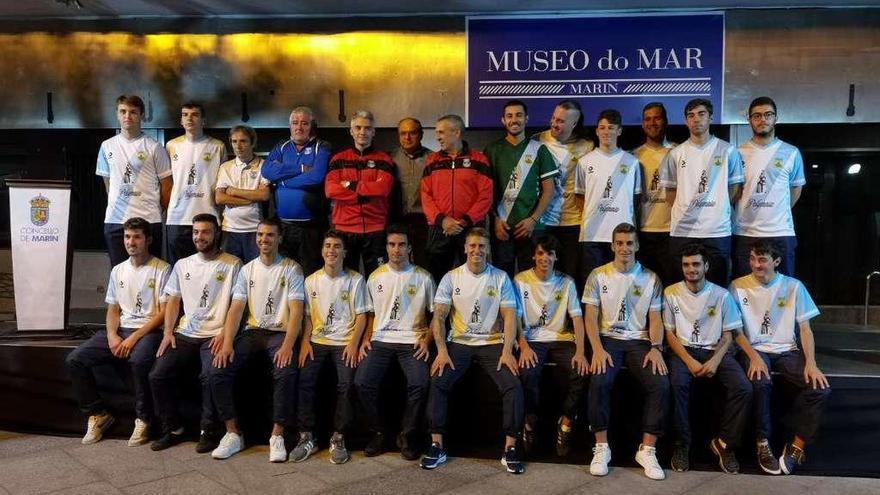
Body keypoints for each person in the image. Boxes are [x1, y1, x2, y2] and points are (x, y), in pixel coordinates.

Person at [420, 227, 525, 474]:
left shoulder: (500, 277)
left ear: (488, 249)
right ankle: (437, 445)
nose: (477, 250)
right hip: (459, 343)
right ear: (465, 248)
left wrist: (507, 350)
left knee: (513, 384)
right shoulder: (451, 277)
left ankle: (510, 447)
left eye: (482, 246)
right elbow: (439, 317)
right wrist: (442, 351)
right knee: (438, 380)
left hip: (491, 343)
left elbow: (509, 316)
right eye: (473, 246)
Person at [66, 217, 170, 446]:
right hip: (120, 329)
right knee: (75, 359)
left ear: (148, 239)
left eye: (136, 237)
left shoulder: (162, 269)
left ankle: (143, 418)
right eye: (127, 237)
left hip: (147, 331)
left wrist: (133, 337)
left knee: (139, 360)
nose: (131, 242)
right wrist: (112, 335)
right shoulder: (118, 270)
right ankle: (98, 414)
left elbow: (163, 313)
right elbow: (113, 310)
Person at [730, 240, 831, 475]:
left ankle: (796, 447)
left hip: (787, 350)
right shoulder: (737, 286)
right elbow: (736, 331)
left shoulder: (794, 286)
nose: (756, 264)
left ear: (776, 261)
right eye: (753, 259)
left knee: (820, 389)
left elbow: (805, 329)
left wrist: (811, 363)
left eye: (762, 259)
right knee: (761, 383)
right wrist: (753, 356)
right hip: (756, 350)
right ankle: (762, 443)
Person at [209, 217, 305, 461]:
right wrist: (228, 341)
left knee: (285, 371)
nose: (264, 240)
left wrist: (287, 346)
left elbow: (296, 312)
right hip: (253, 332)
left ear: (279, 238)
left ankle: (278, 435)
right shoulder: (247, 269)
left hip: (280, 333)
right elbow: (236, 309)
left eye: (270, 235)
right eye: (260, 235)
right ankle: (233, 434)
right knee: (218, 368)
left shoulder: (292, 269)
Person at [148, 213, 242, 453]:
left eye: (205, 232)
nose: (200, 237)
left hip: (216, 334)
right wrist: (168, 332)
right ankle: (174, 429)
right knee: (157, 375)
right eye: (196, 232)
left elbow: (237, 304)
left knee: (210, 375)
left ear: (216, 234)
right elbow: (172, 301)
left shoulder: (232, 263)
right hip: (185, 333)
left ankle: (209, 431)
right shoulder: (182, 264)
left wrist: (226, 334)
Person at [582, 222, 668, 481]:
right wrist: (596, 349)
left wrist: (656, 348)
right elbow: (589, 317)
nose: (624, 248)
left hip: (639, 341)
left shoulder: (651, 278)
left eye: (629, 243)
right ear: (612, 246)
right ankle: (601, 447)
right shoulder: (598, 275)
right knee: (599, 380)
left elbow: (655, 319)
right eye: (619, 243)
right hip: (608, 339)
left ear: (637, 246)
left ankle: (648, 450)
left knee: (661, 384)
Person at [663, 244, 751, 474]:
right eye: (686, 265)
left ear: (706, 266)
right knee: (677, 384)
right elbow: (669, 334)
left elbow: (729, 334)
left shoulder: (721, 295)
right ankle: (682, 445)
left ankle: (724, 444)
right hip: (683, 351)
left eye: (695, 264)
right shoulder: (671, 292)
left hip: (716, 351)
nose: (691, 269)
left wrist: (714, 361)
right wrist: (689, 361)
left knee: (743, 388)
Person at [354, 225, 436, 460]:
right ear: (386, 247)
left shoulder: (423, 277)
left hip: (412, 340)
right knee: (362, 383)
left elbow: (436, 316)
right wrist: (366, 338)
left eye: (401, 245)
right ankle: (379, 432)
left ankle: (407, 435)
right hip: (381, 340)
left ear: (409, 248)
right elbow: (370, 314)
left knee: (420, 383)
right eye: (392, 245)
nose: (396, 249)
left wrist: (427, 340)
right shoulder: (375, 276)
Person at [290, 230, 368, 465]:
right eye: (327, 246)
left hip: (345, 341)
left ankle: (339, 436)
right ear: (322, 250)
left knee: (346, 383)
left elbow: (363, 316)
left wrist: (354, 344)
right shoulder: (311, 280)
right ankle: (307, 437)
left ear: (344, 252)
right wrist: (305, 342)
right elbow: (308, 318)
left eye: (336, 246)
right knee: (305, 380)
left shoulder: (355, 280)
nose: (331, 250)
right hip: (317, 341)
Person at [514, 234, 588, 457]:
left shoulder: (566, 282)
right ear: (533, 256)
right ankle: (530, 420)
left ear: (556, 257)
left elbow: (577, 318)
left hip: (561, 338)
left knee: (581, 370)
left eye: (549, 254)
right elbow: (514, 318)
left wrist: (582, 352)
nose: (544, 258)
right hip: (532, 339)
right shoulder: (520, 280)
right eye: (540, 253)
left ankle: (566, 422)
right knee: (527, 372)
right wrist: (523, 346)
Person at [660, 98, 744, 286]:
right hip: (682, 230)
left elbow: (734, 188)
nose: (696, 119)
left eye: (701, 114)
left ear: (711, 118)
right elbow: (670, 193)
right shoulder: (675, 153)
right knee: (681, 287)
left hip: (717, 230)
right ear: (686, 121)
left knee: (717, 286)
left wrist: (716, 207)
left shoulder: (728, 150)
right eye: (691, 115)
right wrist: (689, 210)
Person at [484, 100, 558, 279]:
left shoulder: (539, 150)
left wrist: (532, 219)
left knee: (532, 279)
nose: (514, 120)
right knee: (503, 279)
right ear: (503, 120)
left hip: (532, 228)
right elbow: (485, 192)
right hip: (502, 226)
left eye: (518, 115)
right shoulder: (492, 150)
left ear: (527, 119)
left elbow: (549, 190)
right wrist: (495, 219)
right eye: (509, 116)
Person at [733, 96, 805, 278]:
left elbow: (795, 189)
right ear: (749, 120)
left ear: (776, 118)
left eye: (767, 114)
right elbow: (733, 191)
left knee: (784, 290)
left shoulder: (791, 152)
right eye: (756, 116)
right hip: (746, 232)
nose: (762, 119)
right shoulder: (737, 153)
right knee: (745, 290)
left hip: (781, 232)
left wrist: (778, 212)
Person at [96, 94, 172, 267]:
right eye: (123, 111)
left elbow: (167, 186)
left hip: (148, 220)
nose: (127, 116)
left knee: (150, 274)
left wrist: (156, 211)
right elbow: (108, 185)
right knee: (119, 273)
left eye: (133, 112)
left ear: (141, 115)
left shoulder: (154, 147)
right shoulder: (106, 146)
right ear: (117, 114)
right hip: (115, 222)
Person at [421, 114, 494, 282]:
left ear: (456, 132)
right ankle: (438, 308)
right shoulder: (432, 161)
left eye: (441, 132)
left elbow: (486, 196)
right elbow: (425, 195)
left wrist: (464, 222)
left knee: (474, 276)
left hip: (470, 229)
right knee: (436, 278)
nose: (437, 137)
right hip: (440, 229)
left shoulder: (479, 159)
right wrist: (442, 220)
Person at [574, 109, 642, 287]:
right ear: (596, 131)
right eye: (602, 127)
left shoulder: (631, 162)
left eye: (611, 128)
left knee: (619, 285)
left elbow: (636, 199)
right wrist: (595, 215)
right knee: (592, 286)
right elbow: (580, 197)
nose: (606, 132)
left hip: (622, 237)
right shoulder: (584, 162)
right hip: (592, 235)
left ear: (619, 131)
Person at [261, 106, 332, 276]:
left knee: (310, 274)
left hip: (311, 229)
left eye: (304, 123)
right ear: (290, 126)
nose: (299, 127)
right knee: (284, 275)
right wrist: (300, 168)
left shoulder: (322, 146)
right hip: (284, 228)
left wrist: (282, 181)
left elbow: (316, 177)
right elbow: (267, 171)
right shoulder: (282, 146)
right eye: (295, 123)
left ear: (311, 126)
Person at [325, 110, 395, 275]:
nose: (362, 132)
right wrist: (367, 190)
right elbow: (330, 190)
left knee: (378, 279)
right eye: (358, 128)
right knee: (346, 279)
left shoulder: (384, 160)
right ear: (351, 131)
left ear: (373, 132)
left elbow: (383, 189)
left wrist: (349, 184)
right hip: (345, 229)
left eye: (367, 128)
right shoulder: (338, 159)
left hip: (375, 229)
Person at [536, 100, 595, 290]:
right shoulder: (537, 141)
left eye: (561, 121)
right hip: (543, 221)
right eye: (554, 118)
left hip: (573, 221)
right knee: (543, 276)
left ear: (574, 124)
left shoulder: (587, 146)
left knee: (571, 275)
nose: (554, 124)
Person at [165, 102, 227, 266]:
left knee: (209, 267)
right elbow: (166, 182)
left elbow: (223, 182)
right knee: (178, 269)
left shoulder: (217, 146)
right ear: (181, 120)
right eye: (185, 115)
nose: (189, 118)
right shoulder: (171, 145)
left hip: (209, 216)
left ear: (203, 120)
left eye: (194, 114)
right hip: (177, 219)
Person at [634, 102, 676, 286]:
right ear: (643, 124)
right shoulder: (633, 156)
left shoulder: (678, 152)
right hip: (643, 232)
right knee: (645, 288)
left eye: (657, 118)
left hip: (672, 231)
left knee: (670, 285)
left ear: (666, 121)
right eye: (648, 119)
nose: (652, 123)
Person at [215, 125, 269, 263]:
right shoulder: (225, 167)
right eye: (234, 141)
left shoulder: (264, 165)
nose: (238, 146)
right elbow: (220, 198)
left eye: (243, 141)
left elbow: (263, 195)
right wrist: (250, 198)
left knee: (255, 273)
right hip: (230, 229)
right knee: (229, 273)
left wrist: (233, 191)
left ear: (253, 143)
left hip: (255, 229)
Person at [390, 118, 433, 269]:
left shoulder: (432, 159)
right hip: (396, 221)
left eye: (412, 133)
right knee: (398, 267)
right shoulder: (389, 159)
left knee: (425, 265)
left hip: (423, 222)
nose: (407, 137)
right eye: (403, 133)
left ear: (421, 135)